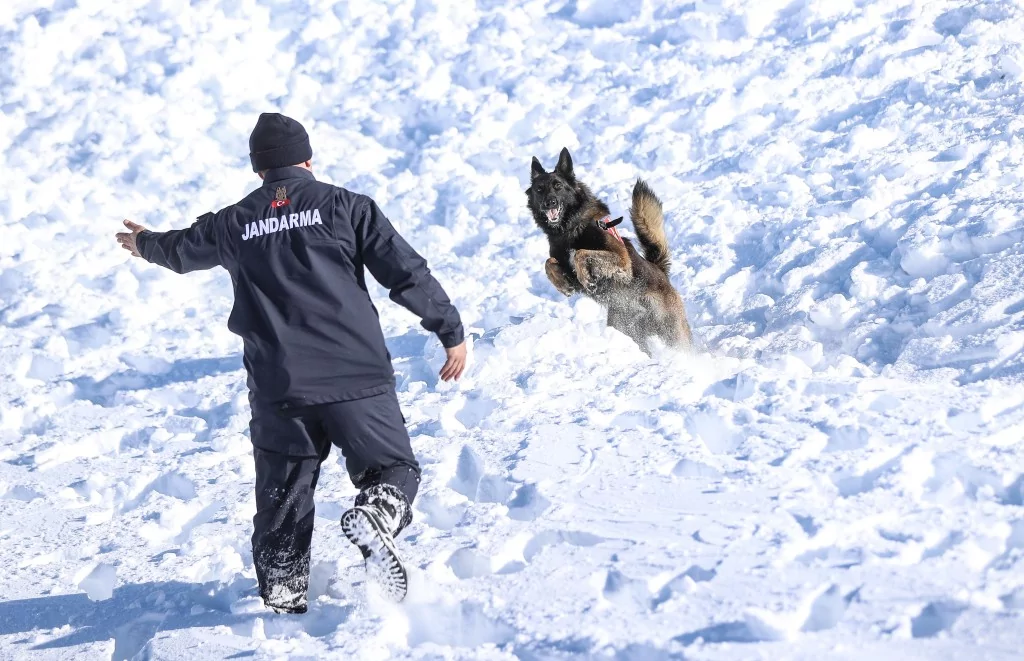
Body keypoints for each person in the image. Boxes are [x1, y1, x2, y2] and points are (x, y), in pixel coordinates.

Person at [115, 112, 466, 611]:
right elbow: (404, 271)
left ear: (259, 169)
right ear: (308, 159)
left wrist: (145, 243)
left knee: (283, 496)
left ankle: (283, 591)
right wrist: (448, 329)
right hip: (356, 378)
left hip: (280, 386)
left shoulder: (233, 222)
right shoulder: (346, 206)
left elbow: (181, 250)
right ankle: (379, 512)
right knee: (391, 467)